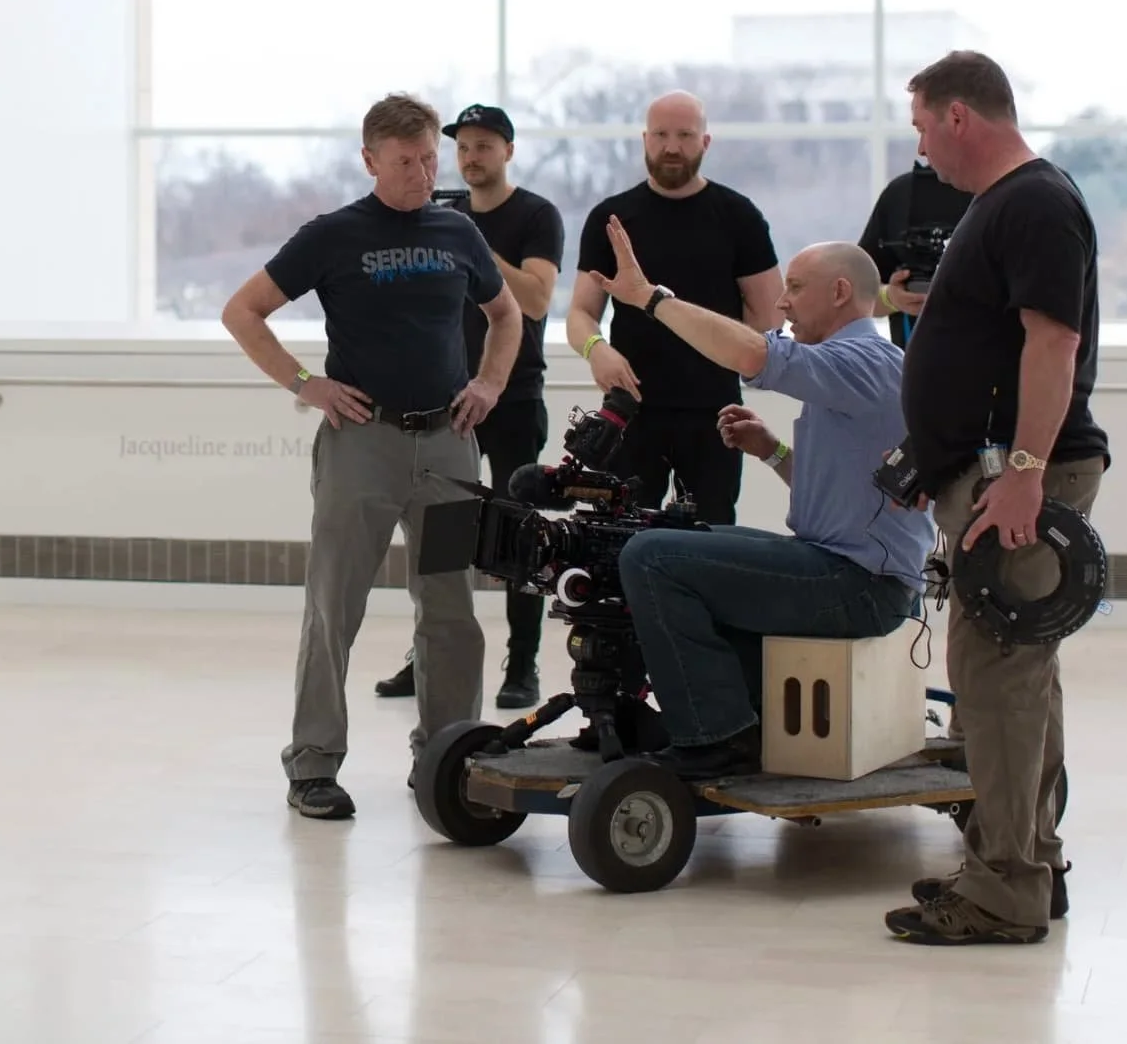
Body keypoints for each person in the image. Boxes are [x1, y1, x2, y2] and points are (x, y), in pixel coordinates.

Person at [222, 94, 524, 820]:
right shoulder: (334, 235)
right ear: (369, 160)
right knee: (335, 605)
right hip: (364, 443)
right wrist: (306, 384)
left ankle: (449, 755)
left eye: (429, 158)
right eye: (405, 162)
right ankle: (314, 764)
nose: (422, 173)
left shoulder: (457, 232)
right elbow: (244, 311)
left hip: (448, 443)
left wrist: (488, 383)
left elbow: (506, 313)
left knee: (450, 610)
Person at [878, 50, 1110, 947]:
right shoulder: (1005, 205)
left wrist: (1019, 471)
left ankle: (1004, 885)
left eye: (923, 128)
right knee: (1017, 677)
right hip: (988, 470)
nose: (922, 149)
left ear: (960, 116)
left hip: (1019, 476)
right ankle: (1027, 864)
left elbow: (1052, 346)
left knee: (1000, 683)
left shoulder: (1036, 201)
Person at [588, 219, 936, 780]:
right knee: (675, 543)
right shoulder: (857, 368)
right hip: (845, 569)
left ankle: (716, 736)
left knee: (651, 557)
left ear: (840, 292)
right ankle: (742, 715)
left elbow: (752, 354)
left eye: (795, 288)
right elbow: (844, 495)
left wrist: (652, 300)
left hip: (858, 585)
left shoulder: (863, 362)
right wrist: (771, 451)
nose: (781, 302)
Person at [373, 103, 564, 712]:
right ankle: (428, 655)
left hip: (512, 395)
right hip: (444, 400)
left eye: (484, 145)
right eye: (462, 147)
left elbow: (532, 300)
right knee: (444, 535)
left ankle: (524, 664)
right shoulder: (438, 210)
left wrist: (470, 240)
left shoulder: (535, 215)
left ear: (507, 151)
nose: (470, 156)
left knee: (517, 533)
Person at [565, 91, 783, 524]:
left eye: (685, 135)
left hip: (715, 413)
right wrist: (596, 349)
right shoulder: (611, 218)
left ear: (705, 142)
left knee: (711, 541)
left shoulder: (739, 217)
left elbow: (770, 320)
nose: (671, 146)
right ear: (645, 139)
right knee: (620, 541)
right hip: (631, 412)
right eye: (661, 135)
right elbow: (579, 314)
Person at [860, 158, 974, 346]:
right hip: (913, 362)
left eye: (924, 131)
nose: (921, 148)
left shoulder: (1014, 196)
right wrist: (891, 298)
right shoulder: (901, 194)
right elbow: (857, 294)